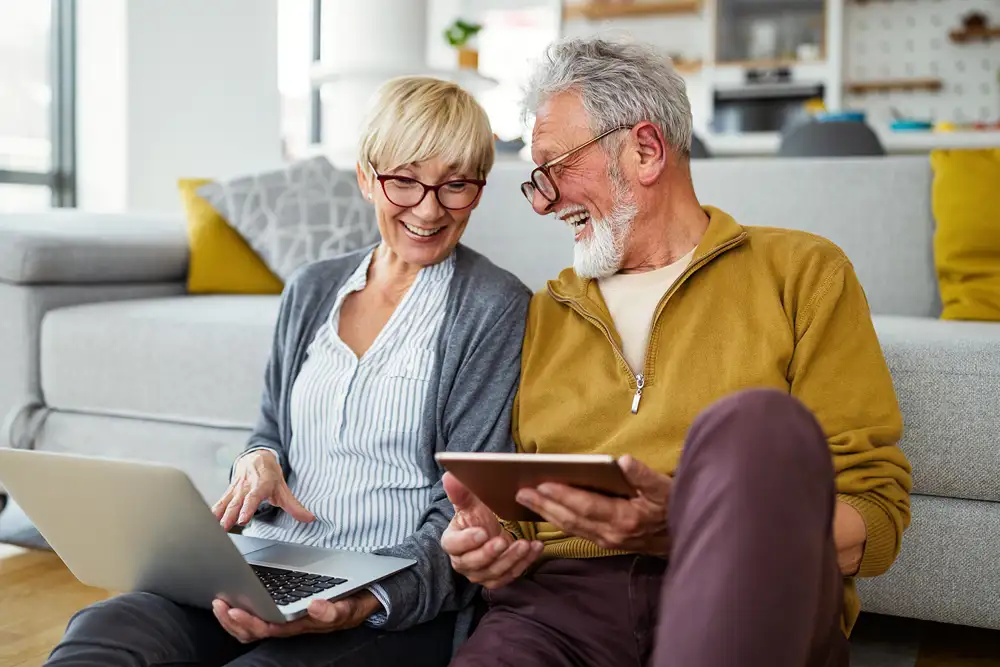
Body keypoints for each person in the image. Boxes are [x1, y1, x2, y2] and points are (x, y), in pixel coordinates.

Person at [441, 38, 912, 667]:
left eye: (556, 169)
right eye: (537, 179)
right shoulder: (545, 311)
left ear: (645, 149)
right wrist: (491, 544)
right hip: (559, 611)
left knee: (754, 423)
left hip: (741, 582)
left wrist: (695, 525)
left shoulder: (801, 273)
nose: (546, 201)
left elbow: (871, 518)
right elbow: (529, 518)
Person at [46, 76, 530, 667]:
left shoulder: (494, 307)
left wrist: (359, 601)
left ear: (478, 189)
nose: (429, 209)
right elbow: (269, 430)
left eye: (455, 186)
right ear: (366, 177)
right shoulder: (313, 287)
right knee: (110, 627)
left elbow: (466, 508)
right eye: (404, 181)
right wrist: (258, 460)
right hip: (265, 566)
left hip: (385, 601)